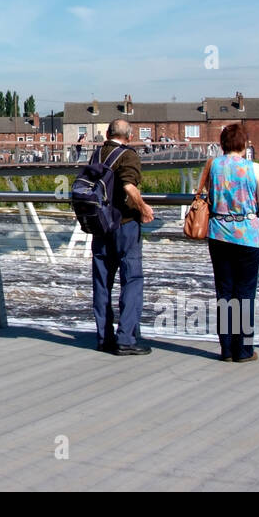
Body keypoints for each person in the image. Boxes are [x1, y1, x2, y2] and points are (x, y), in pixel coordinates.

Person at [196, 123, 259, 362]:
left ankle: (227, 349)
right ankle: (244, 350)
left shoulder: (213, 166)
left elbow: (205, 195)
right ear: (245, 143)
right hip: (248, 237)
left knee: (225, 292)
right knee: (245, 294)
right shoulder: (255, 169)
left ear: (222, 143)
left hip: (218, 234)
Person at [90, 119, 155, 355]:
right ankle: (126, 338)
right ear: (129, 136)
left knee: (101, 283)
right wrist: (144, 208)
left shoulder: (97, 154)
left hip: (100, 225)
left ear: (107, 133)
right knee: (132, 280)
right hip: (124, 224)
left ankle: (103, 337)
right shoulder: (128, 155)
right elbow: (128, 186)